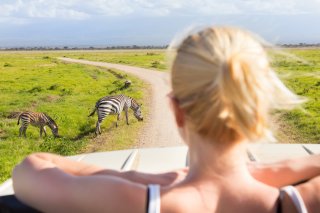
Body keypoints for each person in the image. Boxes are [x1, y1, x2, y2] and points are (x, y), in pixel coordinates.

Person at [12, 26, 320, 213]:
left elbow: (30, 167)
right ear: (261, 110)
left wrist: (140, 178)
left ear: (176, 110)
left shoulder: (134, 200)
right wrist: (271, 171)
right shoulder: (301, 202)